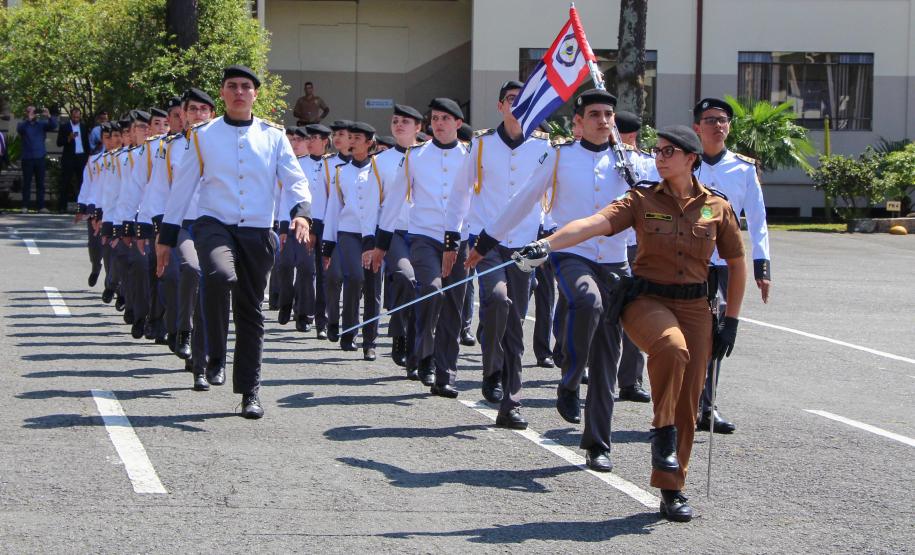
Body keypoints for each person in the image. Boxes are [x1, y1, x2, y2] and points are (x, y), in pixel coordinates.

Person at [521, 124, 746, 522]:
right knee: (671, 347)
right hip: (647, 299)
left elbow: (736, 262)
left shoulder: (714, 207)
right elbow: (594, 222)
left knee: (690, 401)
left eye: (668, 152)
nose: (659, 157)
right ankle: (662, 436)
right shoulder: (641, 200)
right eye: (657, 151)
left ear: (691, 159)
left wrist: (731, 320)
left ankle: (672, 487)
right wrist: (547, 244)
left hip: (696, 306)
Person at [469, 89, 631, 473]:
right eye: (594, 114)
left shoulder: (631, 162)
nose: (604, 120)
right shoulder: (558, 156)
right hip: (571, 254)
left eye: (609, 114)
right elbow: (524, 200)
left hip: (617, 262)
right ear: (578, 121)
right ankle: (571, 378)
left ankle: (597, 444)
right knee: (586, 301)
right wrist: (486, 241)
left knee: (609, 356)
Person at [156, 65, 312, 419]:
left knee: (250, 312)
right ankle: (212, 353)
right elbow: (183, 188)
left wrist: (300, 212)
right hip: (214, 225)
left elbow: (294, 178)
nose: (239, 92)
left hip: (257, 231)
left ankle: (250, 392)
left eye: (246, 86)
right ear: (223, 93)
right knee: (218, 275)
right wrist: (166, 238)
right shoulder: (204, 135)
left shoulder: (273, 135)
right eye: (232, 86)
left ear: (255, 94)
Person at [443, 80, 551, 429]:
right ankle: (494, 373)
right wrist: (452, 237)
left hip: (525, 243)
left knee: (516, 318)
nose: (516, 106)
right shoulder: (482, 144)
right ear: (500, 105)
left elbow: (553, 196)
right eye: (510, 100)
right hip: (484, 244)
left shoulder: (545, 147)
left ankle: (507, 387)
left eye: (524, 101)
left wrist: (549, 231)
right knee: (497, 299)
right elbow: (460, 192)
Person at [373, 98, 470, 397]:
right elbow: (394, 200)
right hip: (424, 237)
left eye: (446, 118)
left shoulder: (471, 155)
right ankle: (424, 357)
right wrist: (381, 244)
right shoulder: (416, 156)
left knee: (453, 305)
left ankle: (446, 374)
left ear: (457, 123)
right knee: (431, 289)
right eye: (435, 118)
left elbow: (479, 200)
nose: (439, 123)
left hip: (461, 240)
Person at [693, 97, 771, 434]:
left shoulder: (742, 168)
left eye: (723, 120)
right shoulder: (684, 162)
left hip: (723, 264)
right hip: (685, 261)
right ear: (698, 127)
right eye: (710, 120)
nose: (718, 125)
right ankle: (680, 404)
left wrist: (761, 267)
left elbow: (758, 219)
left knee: (715, 334)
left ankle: (705, 407)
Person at [321, 121, 383, 360]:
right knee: (354, 278)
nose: (352, 141)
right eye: (351, 137)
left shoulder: (378, 170)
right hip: (348, 231)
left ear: (369, 142)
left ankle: (371, 341)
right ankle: (349, 331)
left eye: (358, 138)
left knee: (372, 285)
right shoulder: (340, 171)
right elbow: (334, 208)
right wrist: (328, 243)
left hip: (374, 234)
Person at [370, 104, 423, 371]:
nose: (399, 125)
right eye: (395, 121)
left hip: (427, 233)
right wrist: (372, 243)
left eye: (406, 121)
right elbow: (371, 205)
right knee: (405, 277)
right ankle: (399, 332)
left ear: (418, 128)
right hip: (394, 234)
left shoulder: (428, 156)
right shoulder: (381, 161)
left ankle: (417, 353)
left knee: (427, 291)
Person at [614, 110, 655, 404]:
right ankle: (586, 369)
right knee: (603, 312)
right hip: (610, 243)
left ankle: (631, 380)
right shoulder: (609, 160)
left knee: (634, 313)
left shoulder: (649, 164)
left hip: (639, 245)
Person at [275, 126, 318, 333]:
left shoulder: (319, 165)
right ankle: (285, 302)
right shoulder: (288, 164)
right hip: (289, 223)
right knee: (284, 266)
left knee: (306, 269)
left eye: (299, 140)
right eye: (291, 140)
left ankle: (304, 313)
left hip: (308, 224)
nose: (295, 144)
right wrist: (283, 227)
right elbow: (284, 198)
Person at [322, 119, 354, 342]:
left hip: (362, 233)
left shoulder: (371, 164)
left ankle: (351, 328)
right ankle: (331, 319)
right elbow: (327, 204)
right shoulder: (328, 165)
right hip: (334, 228)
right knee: (333, 277)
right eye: (336, 134)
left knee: (356, 282)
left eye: (343, 134)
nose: (338, 138)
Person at [302, 123, 334, 339]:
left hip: (338, 225)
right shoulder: (299, 164)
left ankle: (336, 321)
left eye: (314, 137)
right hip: (313, 224)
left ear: (325, 141)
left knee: (335, 277)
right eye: (308, 137)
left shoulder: (332, 163)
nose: (309, 141)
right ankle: (319, 320)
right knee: (318, 274)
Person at [17, 105, 58, 213]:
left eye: (34, 111)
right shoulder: (23, 125)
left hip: (40, 157)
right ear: (27, 113)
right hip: (27, 158)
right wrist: (28, 120)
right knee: (27, 183)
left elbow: (53, 126)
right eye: (30, 111)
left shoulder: (41, 124)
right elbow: (20, 130)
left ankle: (41, 206)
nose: (33, 113)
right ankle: (25, 206)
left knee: (40, 183)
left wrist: (49, 116)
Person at [57, 107, 91, 212]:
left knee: (82, 183)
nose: (76, 119)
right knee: (65, 182)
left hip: (81, 157)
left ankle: (82, 207)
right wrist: (68, 138)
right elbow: (58, 143)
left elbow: (86, 144)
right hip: (69, 158)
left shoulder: (84, 127)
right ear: (71, 116)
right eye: (74, 117)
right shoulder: (65, 127)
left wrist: (88, 157)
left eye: (78, 117)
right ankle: (62, 207)